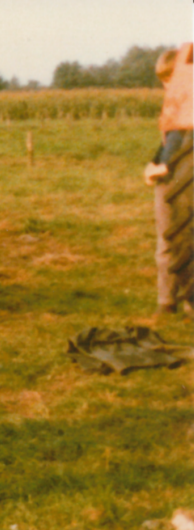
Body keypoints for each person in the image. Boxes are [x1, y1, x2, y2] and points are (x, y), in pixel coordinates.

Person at [143, 43, 193, 322]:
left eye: (168, 80)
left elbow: (176, 145)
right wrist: (155, 160)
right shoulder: (180, 105)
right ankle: (169, 299)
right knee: (171, 242)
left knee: (173, 240)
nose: (165, 87)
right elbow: (167, 142)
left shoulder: (187, 105)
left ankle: (178, 301)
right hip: (174, 179)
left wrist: (156, 169)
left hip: (177, 183)